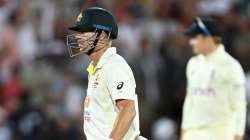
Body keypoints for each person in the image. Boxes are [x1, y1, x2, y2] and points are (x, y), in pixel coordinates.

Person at [66, 7, 145, 140]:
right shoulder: (96, 68)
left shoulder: (113, 66)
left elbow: (128, 110)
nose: (78, 37)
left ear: (102, 35)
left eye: (84, 31)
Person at [181, 17, 247, 140]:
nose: (191, 42)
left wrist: (238, 135)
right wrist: (184, 132)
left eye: (195, 38)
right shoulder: (193, 64)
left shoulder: (231, 66)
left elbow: (239, 105)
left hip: (221, 133)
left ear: (208, 38)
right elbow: (190, 100)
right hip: (193, 134)